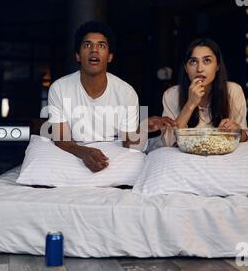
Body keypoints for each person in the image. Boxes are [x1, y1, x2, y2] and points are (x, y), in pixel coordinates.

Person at [47, 21, 176, 172]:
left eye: (101, 45)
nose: (94, 50)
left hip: (112, 158)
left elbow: (130, 145)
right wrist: (84, 152)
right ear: (77, 55)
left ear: (110, 57)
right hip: (74, 153)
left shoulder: (126, 92)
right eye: (87, 45)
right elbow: (61, 139)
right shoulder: (59, 88)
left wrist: (142, 128)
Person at [161, 38, 248, 147]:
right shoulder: (171, 95)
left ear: (217, 66)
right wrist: (190, 104)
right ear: (186, 68)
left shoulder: (233, 91)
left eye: (207, 61)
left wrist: (237, 131)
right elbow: (168, 143)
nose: (199, 69)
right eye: (193, 61)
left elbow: (246, 137)